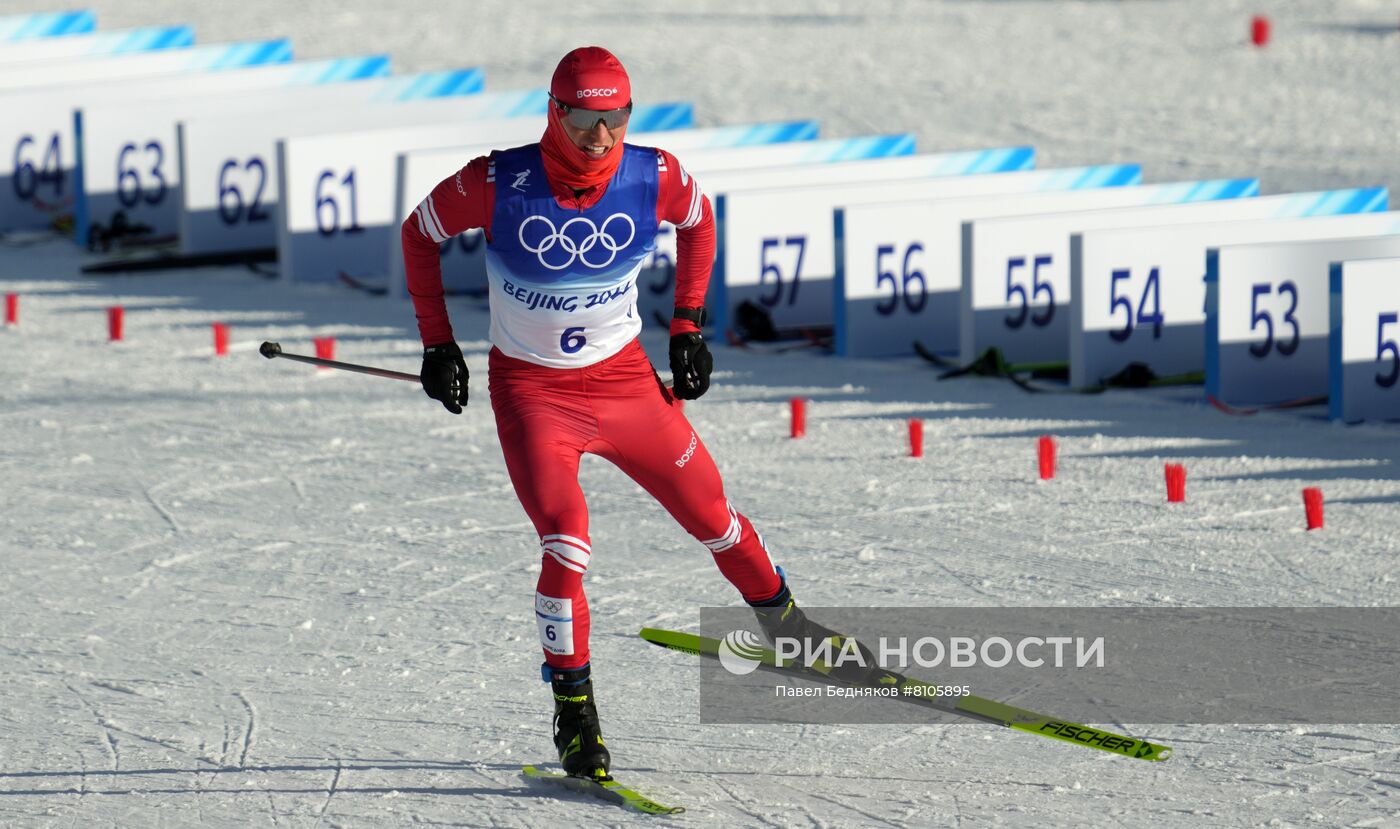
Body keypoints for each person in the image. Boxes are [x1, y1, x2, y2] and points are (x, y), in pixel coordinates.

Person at [401, 46, 817, 781]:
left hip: (626, 385)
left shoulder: (651, 172)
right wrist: (439, 343)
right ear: (555, 112)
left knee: (714, 515)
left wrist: (687, 324)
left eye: (618, 117)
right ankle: (575, 713)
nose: (603, 137)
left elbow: (700, 219)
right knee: (567, 543)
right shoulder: (495, 182)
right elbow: (419, 234)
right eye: (589, 119)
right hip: (536, 395)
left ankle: (786, 625)